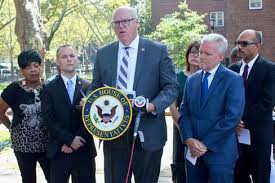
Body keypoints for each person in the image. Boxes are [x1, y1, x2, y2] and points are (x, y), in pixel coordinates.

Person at [86, 6, 179, 183]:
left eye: (126, 22)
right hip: (114, 133)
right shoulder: (103, 53)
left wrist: (154, 105)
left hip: (148, 130)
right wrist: (90, 99)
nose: (121, 26)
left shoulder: (157, 50)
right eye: (117, 23)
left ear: (137, 23)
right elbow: (95, 87)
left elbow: (171, 87)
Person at [179, 33, 245, 183]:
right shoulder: (192, 80)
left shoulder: (233, 80)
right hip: (193, 153)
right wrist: (188, 139)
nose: (201, 56)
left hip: (220, 154)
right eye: (200, 51)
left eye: (207, 53)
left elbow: (232, 118)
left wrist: (205, 144)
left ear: (220, 57)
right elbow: (184, 113)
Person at [41, 45, 97, 183]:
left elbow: (93, 117)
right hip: (60, 150)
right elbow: (49, 119)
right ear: (58, 62)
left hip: (84, 149)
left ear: (77, 59)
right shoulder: (49, 89)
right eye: (64, 57)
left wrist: (78, 139)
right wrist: (69, 140)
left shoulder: (89, 87)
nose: (69, 59)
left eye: (72, 56)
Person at [229, 29, 275, 183]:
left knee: (261, 176)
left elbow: (267, 102)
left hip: (259, 138)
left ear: (257, 46)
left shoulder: (270, 69)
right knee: (238, 176)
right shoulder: (232, 70)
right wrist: (233, 122)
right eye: (237, 43)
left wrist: (241, 120)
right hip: (235, 138)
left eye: (244, 44)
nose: (239, 47)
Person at [0, 49, 50, 183]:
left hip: (48, 144)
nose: (33, 70)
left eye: (36, 65)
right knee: (28, 179)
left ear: (41, 67)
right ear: (22, 71)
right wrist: (11, 127)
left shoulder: (49, 87)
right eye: (27, 67)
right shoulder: (14, 89)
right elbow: (0, 111)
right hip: (23, 146)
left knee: (54, 177)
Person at [169, 40, 200, 183]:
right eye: (193, 52)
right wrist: (184, 131)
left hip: (202, 131)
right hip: (180, 129)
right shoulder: (177, 78)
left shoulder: (207, 78)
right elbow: (173, 106)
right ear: (187, 55)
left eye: (199, 52)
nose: (195, 55)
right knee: (181, 168)